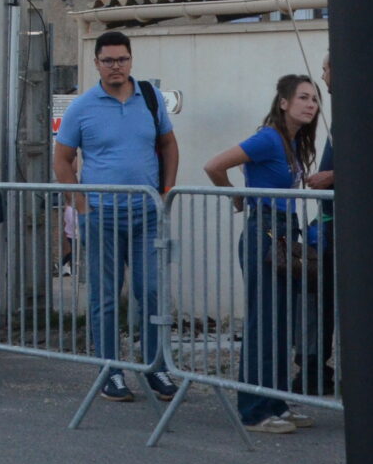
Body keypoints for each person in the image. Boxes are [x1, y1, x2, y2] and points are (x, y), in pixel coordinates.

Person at [52, 30, 180, 404]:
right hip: (102, 216)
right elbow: (62, 159)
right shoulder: (82, 107)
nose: (116, 66)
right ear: (96, 63)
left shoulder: (150, 98)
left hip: (146, 215)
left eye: (122, 59)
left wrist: (167, 192)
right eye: (108, 60)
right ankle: (111, 371)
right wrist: (80, 204)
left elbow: (169, 144)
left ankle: (155, 367)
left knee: (151, 291)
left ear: (131, 60)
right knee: (105, 295)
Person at [204, 74, 323, 434]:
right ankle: (254, 410)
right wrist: (237, 197)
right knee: (264, 322)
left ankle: (276, 402)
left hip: (284, 232)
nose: (311, 105)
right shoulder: (269, 138)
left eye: (315, 99)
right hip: (266, 233)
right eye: (303, 97)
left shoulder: (292, 141)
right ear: (284, 102)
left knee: (281, 322)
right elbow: (214, 165)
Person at [301, 53, 336, 397]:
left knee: (328, 299)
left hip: (340, 227)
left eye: (325, 69)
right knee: (318, 298)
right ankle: (313, 366)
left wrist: (332, 176)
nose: (323, 76)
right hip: (325, 224)